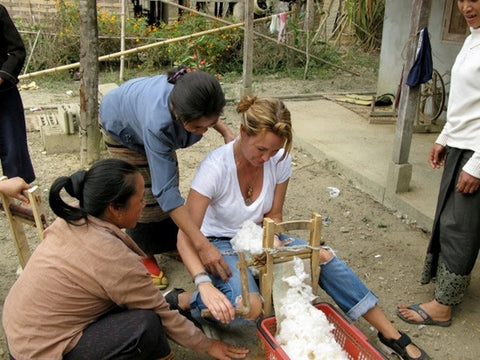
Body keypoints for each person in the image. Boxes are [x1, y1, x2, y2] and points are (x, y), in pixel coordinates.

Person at [167, 96, 431, 360]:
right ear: (243, 132)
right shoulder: (215, 168)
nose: (267, 157)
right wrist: (203, 284)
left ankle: (390, 335)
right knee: (250, 308)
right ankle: (185, 301)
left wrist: (274, 242)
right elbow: (185, 236)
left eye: (274, 150)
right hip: (219, 242)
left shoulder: (279, 159)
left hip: (259, 235)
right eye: (261, 149)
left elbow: (274, 214)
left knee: (323, 257)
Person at [2, 158, 249, 360]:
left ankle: (177, 300)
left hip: (22, 330)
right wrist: (207, 345)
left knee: (142, 304)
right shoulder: (112, 257)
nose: (144, 205)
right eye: (140, 200)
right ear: (114, 208)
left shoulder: (71, 218)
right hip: (40, 351)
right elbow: (159, 315)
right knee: (146, 324)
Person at [100, 66, 235, 289]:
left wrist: (225, 131)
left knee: (167, 181)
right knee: (142, 192)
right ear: (178, 113)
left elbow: (207, 111)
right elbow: (166, 192)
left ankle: (171, 242)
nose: (203, 131)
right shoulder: (158, 123)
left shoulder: (194, 91)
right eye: (197, 126)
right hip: (122, 123)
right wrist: (201, 245)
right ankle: (142, 252)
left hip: (144, 110)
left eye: (208, 125)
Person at [397, 0, 480, 328]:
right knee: (451, 221)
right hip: (462, 144)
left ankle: (444, 305)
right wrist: (445, 136)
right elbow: (467, 101)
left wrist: (477, 165)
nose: (466, 7)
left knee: (459, 226)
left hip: (475, 150)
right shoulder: (473, 38)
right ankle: (449, 286)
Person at [0, 4, 36, 183]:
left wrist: (1, 76)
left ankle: (19, 196)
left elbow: (17, 51)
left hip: (4, 95)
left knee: (14, 150)